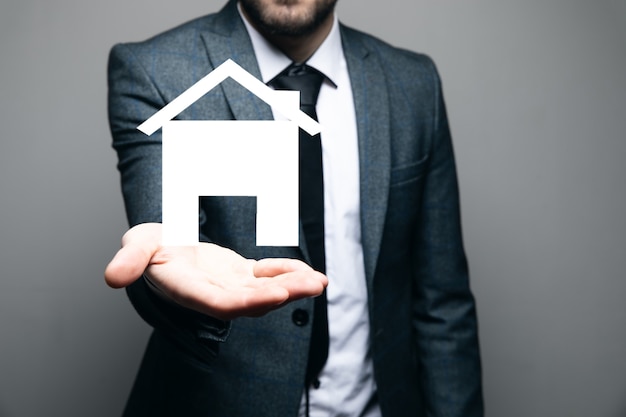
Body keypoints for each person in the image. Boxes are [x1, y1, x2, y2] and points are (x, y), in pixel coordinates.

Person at [106, 0, 484, 416]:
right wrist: (163, 273)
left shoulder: (414, 84)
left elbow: (442, 302)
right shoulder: (154, 70)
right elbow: (168, 237)